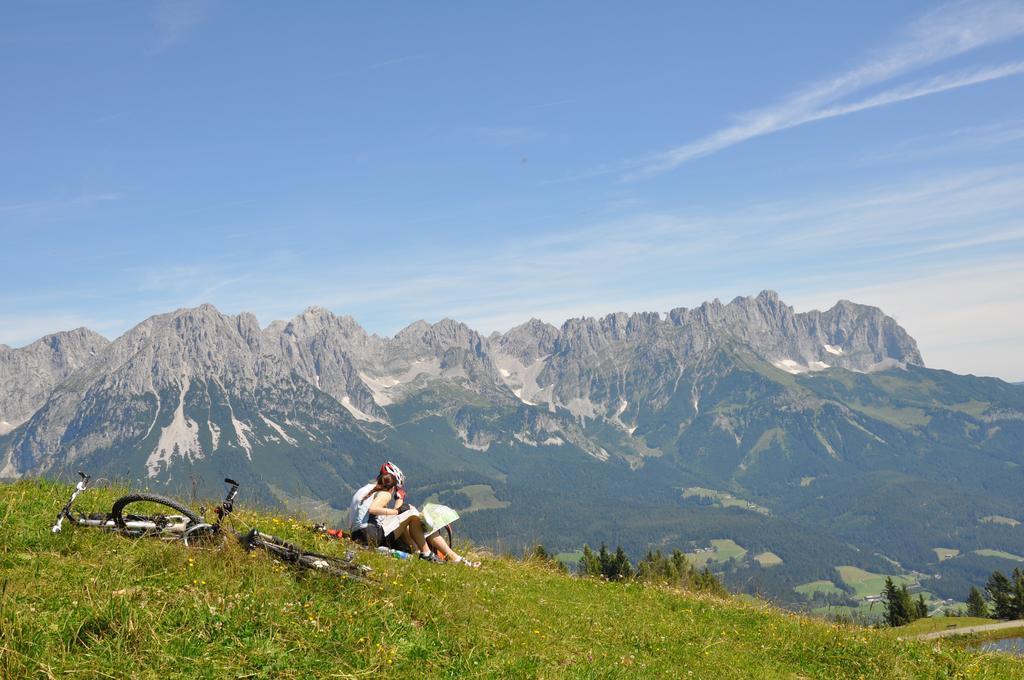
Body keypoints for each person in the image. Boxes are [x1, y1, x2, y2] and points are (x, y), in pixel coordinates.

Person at [348, 461, 443, 563]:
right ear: (391, 486)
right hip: (371, 535)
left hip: (356, 536)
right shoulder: (385, 494)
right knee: (412, 514)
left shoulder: (364, 489)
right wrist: (396, 511)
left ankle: (416, 551)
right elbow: (373, 509)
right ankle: (426, 553)